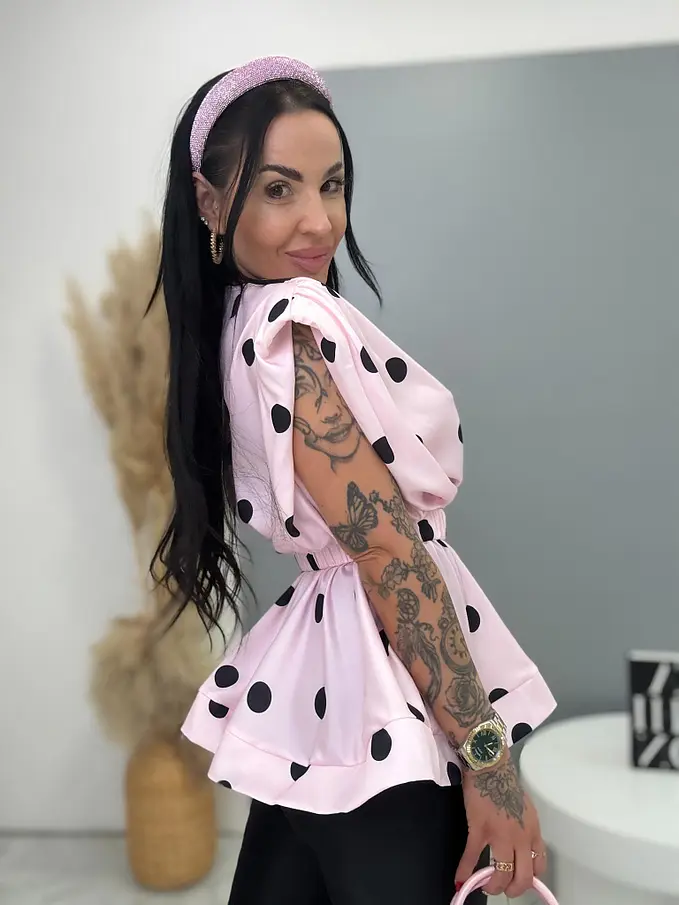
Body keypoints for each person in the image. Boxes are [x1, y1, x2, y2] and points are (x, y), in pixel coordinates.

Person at [150, 56, 557, 905]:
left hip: (320, 680)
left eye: (331, 185)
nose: (318, 220)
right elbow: (387, 552)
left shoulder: (237, 323)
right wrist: (489, 763)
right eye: (277, 189)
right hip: (377, 688)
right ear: (208, 202)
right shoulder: (291, 322)